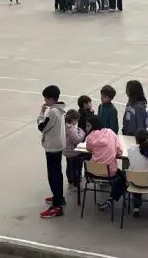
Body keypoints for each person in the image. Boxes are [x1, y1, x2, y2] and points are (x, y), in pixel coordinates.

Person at [38, 85, 66, 218]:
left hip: (52, 147)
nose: (44, 100)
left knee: (53, 175)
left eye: (45, 98)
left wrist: (41, 114)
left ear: (51, 99)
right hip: (58, 145)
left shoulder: (53, 112)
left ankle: (56, 206)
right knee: (57, 173)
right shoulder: (59, 109)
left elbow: (42, 127)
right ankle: (59, 197)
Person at [62, 110, 87, 190]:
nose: (77, 122)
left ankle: (70, 182)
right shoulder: (71, 128)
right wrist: (82, 132)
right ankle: (76, 184)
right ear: (73, 119)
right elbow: (77, 140)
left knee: (69, 167)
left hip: (66, 151)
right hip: (73, 152)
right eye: (77, 120)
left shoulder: (64, 126)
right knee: (76, 168)